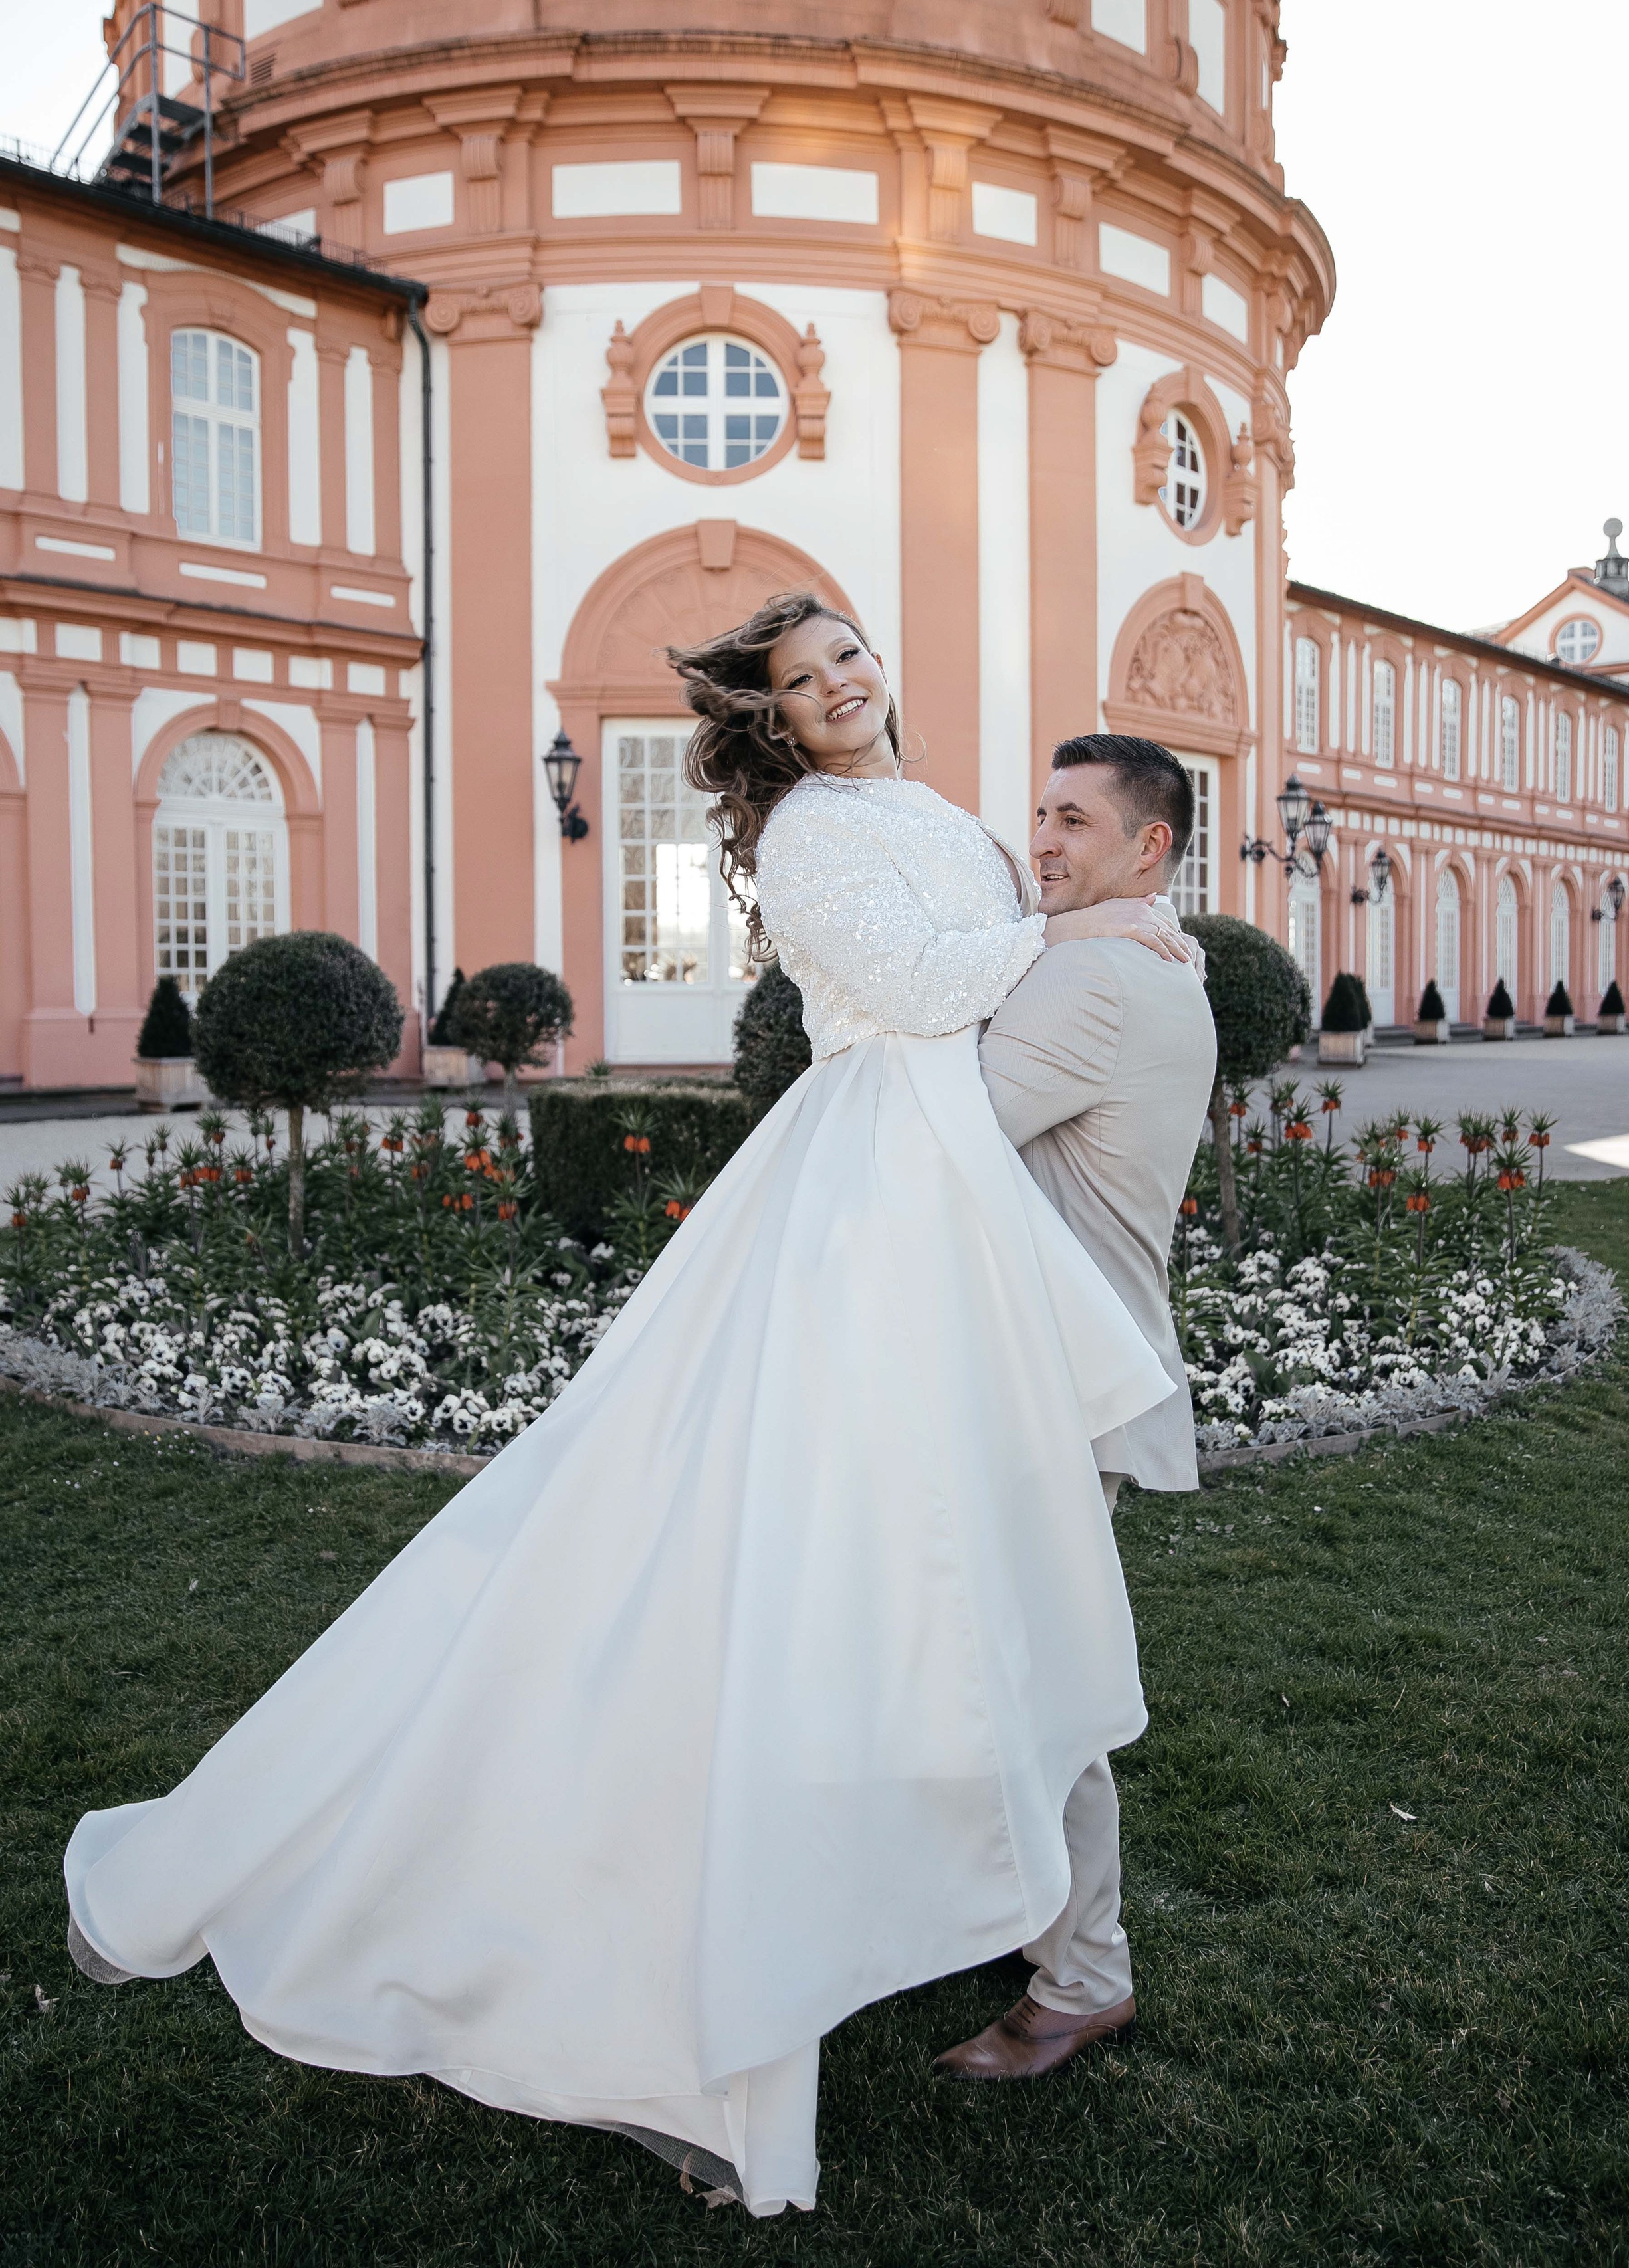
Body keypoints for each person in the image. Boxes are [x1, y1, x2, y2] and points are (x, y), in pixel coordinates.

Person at [62, 592, 1194, 2219]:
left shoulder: (936, 813)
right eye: (804, 685)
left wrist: (1071, 933)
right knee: (767, 1574)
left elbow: (990, 997)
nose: (841, 688)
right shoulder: (810, 833)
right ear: (776, 726)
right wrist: (1078, 931)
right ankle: (762, 1929)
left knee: (910, 1588)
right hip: (867, 1194)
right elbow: (924, 987)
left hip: (940, 1207)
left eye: (851, 656)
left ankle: (959, 1913)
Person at [933, 734, 1218, 2082]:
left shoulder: (1097, 978)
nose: (1039, 840)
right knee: (979, 1665)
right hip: (1042, 1367)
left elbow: (932, 1137)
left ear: (1147, 850)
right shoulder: (1125, 953)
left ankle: (1083, 1973)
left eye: (1072, 822)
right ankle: (1002, 1903)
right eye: (1035, 814)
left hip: (1048, 1382)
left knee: (1033, 1687)